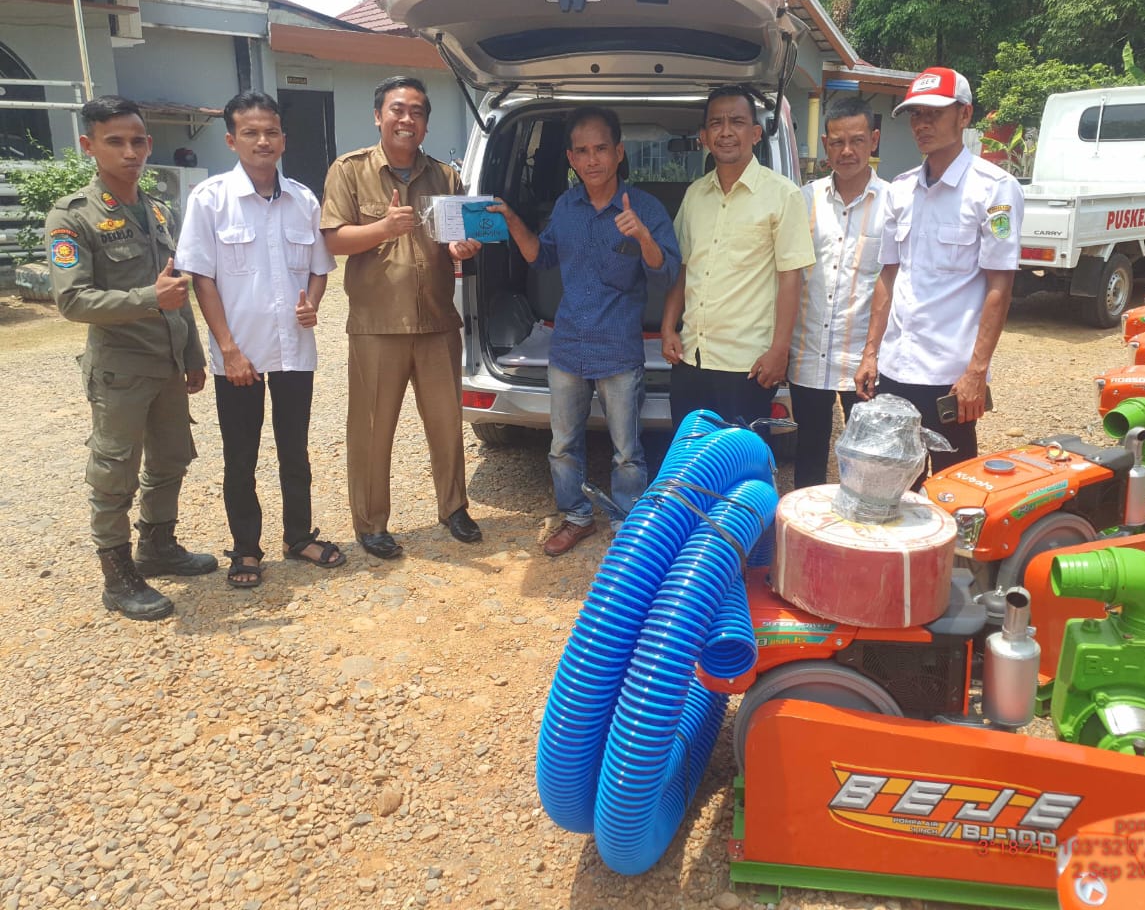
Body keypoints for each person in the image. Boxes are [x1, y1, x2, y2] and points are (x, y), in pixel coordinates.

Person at [47, 95, 217, 621]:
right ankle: (118, 576)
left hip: (166, 364)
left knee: (171, 459)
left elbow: (179, 290)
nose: (130, 152)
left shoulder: (159, 209)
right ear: (88, 146)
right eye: (115, 141)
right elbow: (72, 302)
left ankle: (158, 546)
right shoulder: (72, 217)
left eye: (138, 140)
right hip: (120, 369)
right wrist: (149, 299)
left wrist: (191, 354)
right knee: (115, 470)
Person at [489, 107, 679, 556]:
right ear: (572, 159)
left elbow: (668, 272)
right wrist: (513, 220)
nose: (592, 160)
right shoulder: (565, 206)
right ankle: (576, 516)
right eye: (582, 152)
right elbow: (542, 257)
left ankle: (627, 523)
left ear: (618, 152)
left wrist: (643, 238)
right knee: (561, 446)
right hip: (569, 348)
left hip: (618, 349)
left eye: (600, 149)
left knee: (627, 451)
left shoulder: (644, 208)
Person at [178, 90, 346, 588]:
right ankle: (246, 549)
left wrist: (312, 302)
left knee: (295, 449)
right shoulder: (210, 200)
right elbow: (201, 279)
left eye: (270, 131)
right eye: (250, 132)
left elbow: (319, 268)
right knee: (241, 455)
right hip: (241, 353)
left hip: (294, 348)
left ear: (283, 139)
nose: (262, 140)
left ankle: (299, 536)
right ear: (232, 140)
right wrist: (227, 348)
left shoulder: (303, 200)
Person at [320, 76, 483, 558]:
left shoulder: (445, 177)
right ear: (378, 116)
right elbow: (332, 240)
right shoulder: (348, 171)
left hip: (436, 323)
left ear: (426, 124)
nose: (406, 119)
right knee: (372, 428)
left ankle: (453, 507)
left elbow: (457, 241)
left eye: (416, 112)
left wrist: (462, 247)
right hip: (377, 324)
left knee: (446, 424)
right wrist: (383, 227)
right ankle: (371, 523)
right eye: (397, 110)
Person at [854, 67, 1024, 476]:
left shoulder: (994, 189)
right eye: (915, 115)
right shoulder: (900, 190)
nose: (922, 124)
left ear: (964, 116)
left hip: (950, 378)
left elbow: (1000, 285)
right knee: (890, 482)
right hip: (895, 368)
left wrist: (976, 373)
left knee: (952, 485)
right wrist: (871, 353)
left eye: (934, 113)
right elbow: (888, 276)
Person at [660, 85, 814, 429]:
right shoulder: (695, 195)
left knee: (740, 468)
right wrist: (669, 327)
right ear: (703, 136)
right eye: (716, 123)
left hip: (746, 367)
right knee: (690, 464)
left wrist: (779, 351)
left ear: (756, 134)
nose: (726, 132)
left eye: (737, 122)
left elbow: (791, 278)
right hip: (690, 360)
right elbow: (685, 267)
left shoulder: (782, 196)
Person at [789, 97, 887, 489]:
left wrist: (874, 353)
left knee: (867, 457)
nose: (847, 151)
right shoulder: (804, 200)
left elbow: (893, 283)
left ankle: (861, 538)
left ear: (874, 141)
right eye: (837, 142)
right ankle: (807, 538)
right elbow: (790, 274)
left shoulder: (893, 203)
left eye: (858, 141)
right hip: (808, 355)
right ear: (825, 144)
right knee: (808, 454)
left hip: (862, 362)